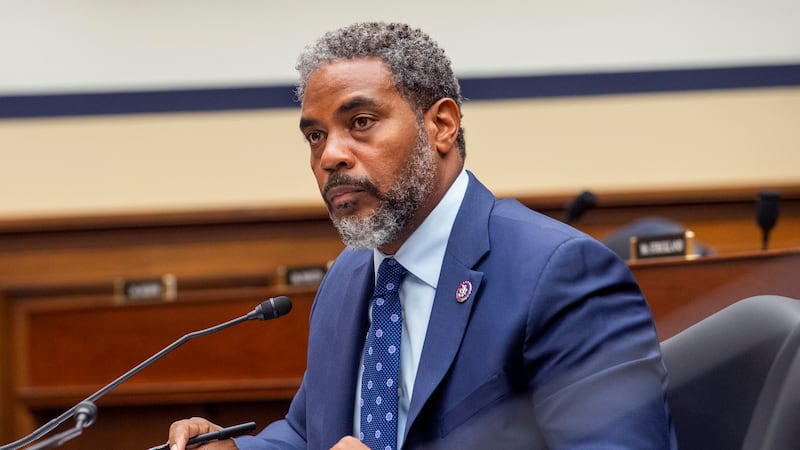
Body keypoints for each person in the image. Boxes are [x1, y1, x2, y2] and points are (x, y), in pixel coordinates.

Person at [166, 21, 676, 450]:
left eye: (361, 122)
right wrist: (239, 448)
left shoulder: (560, 273)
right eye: (315, 135)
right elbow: (311, 433)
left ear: (442, 126)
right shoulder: (349, 275)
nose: (330, 156)